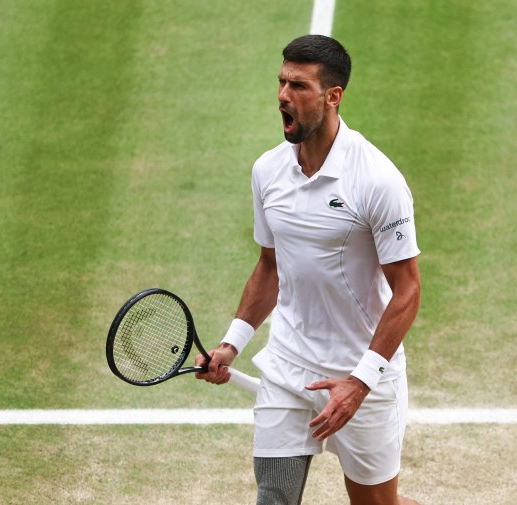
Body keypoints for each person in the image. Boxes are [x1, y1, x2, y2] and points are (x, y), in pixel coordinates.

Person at [195, 34, 422, 505]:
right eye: (281, 82)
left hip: (362, 373)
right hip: (288, 366)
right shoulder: (267, 171)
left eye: (297, 86)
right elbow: (270, 266)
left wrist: (359, 383)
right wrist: (232, 344)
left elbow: (407, 291)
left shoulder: (378, 180)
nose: (282, 95)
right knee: (273, 499)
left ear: (332, 96)